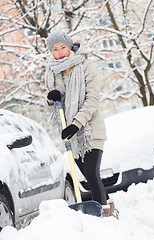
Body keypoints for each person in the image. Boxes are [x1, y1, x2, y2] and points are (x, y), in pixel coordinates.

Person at [45, 30, 119, 219]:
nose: (60, 52)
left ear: (70, 46)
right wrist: (51, 98)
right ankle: (110, 209)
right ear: (51, 52)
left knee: (91, 173)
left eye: (63, 47)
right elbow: (54, 103)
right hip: (72, 135)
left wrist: (77, 124)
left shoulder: (85, 65)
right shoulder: (52, 71)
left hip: (90, 130)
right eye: (55, 49)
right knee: (89, 176)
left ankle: (102, 217)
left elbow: (93, 99)